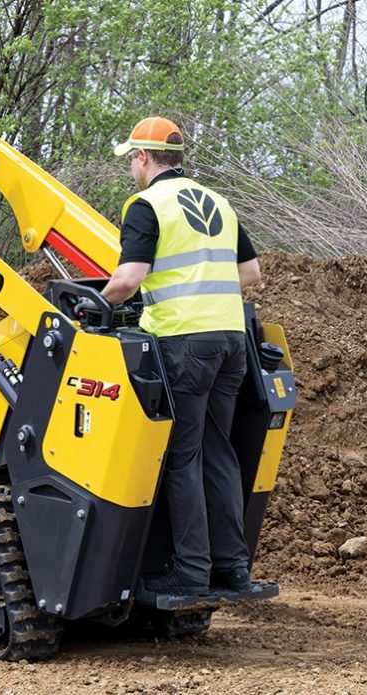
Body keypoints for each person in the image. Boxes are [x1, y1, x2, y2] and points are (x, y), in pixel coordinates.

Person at [100, 117, 261, 597]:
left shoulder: (147, 204)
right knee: (219, 452)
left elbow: (128, 279)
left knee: (183, 456)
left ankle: (190, 572)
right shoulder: (219, 202)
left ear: (143, 158)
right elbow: (251, 272)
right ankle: (232, 567)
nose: (131, 167)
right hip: (231, 340)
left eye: (131, 158)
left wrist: (93, 304)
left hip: (183, 342)